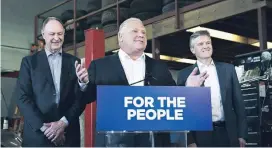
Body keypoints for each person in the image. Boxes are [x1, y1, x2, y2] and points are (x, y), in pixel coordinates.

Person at [83, 17, 177, 147]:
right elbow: (86, 97)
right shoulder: (100, 66)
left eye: (143, 32)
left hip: (153, 141)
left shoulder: (159, 67)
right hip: (113, 141)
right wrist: (83, 83)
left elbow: (172, 99)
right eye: (135, 31)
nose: (141, 35)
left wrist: (189, 87)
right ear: (120, 37)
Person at [15, 17, 89, 147]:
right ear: (43, 35)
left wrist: (83, 84)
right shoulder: (29, 63)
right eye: (52, 34)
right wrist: (46, 129)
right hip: (37, 136)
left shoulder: (74, 62)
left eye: (60, 34)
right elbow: (22, 98)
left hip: (67, 136)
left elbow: (80, 100)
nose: (56, 38)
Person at [177, 30, 247, 147]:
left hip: (228, 133)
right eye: (200, 44)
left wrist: (242, 135)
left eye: (208, 43)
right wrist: (189, 140)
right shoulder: (184, 75)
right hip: (200, 136)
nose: (205, 46)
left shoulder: (228, 70)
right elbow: (182, 110)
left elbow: (239, 104)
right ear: (192, 50)